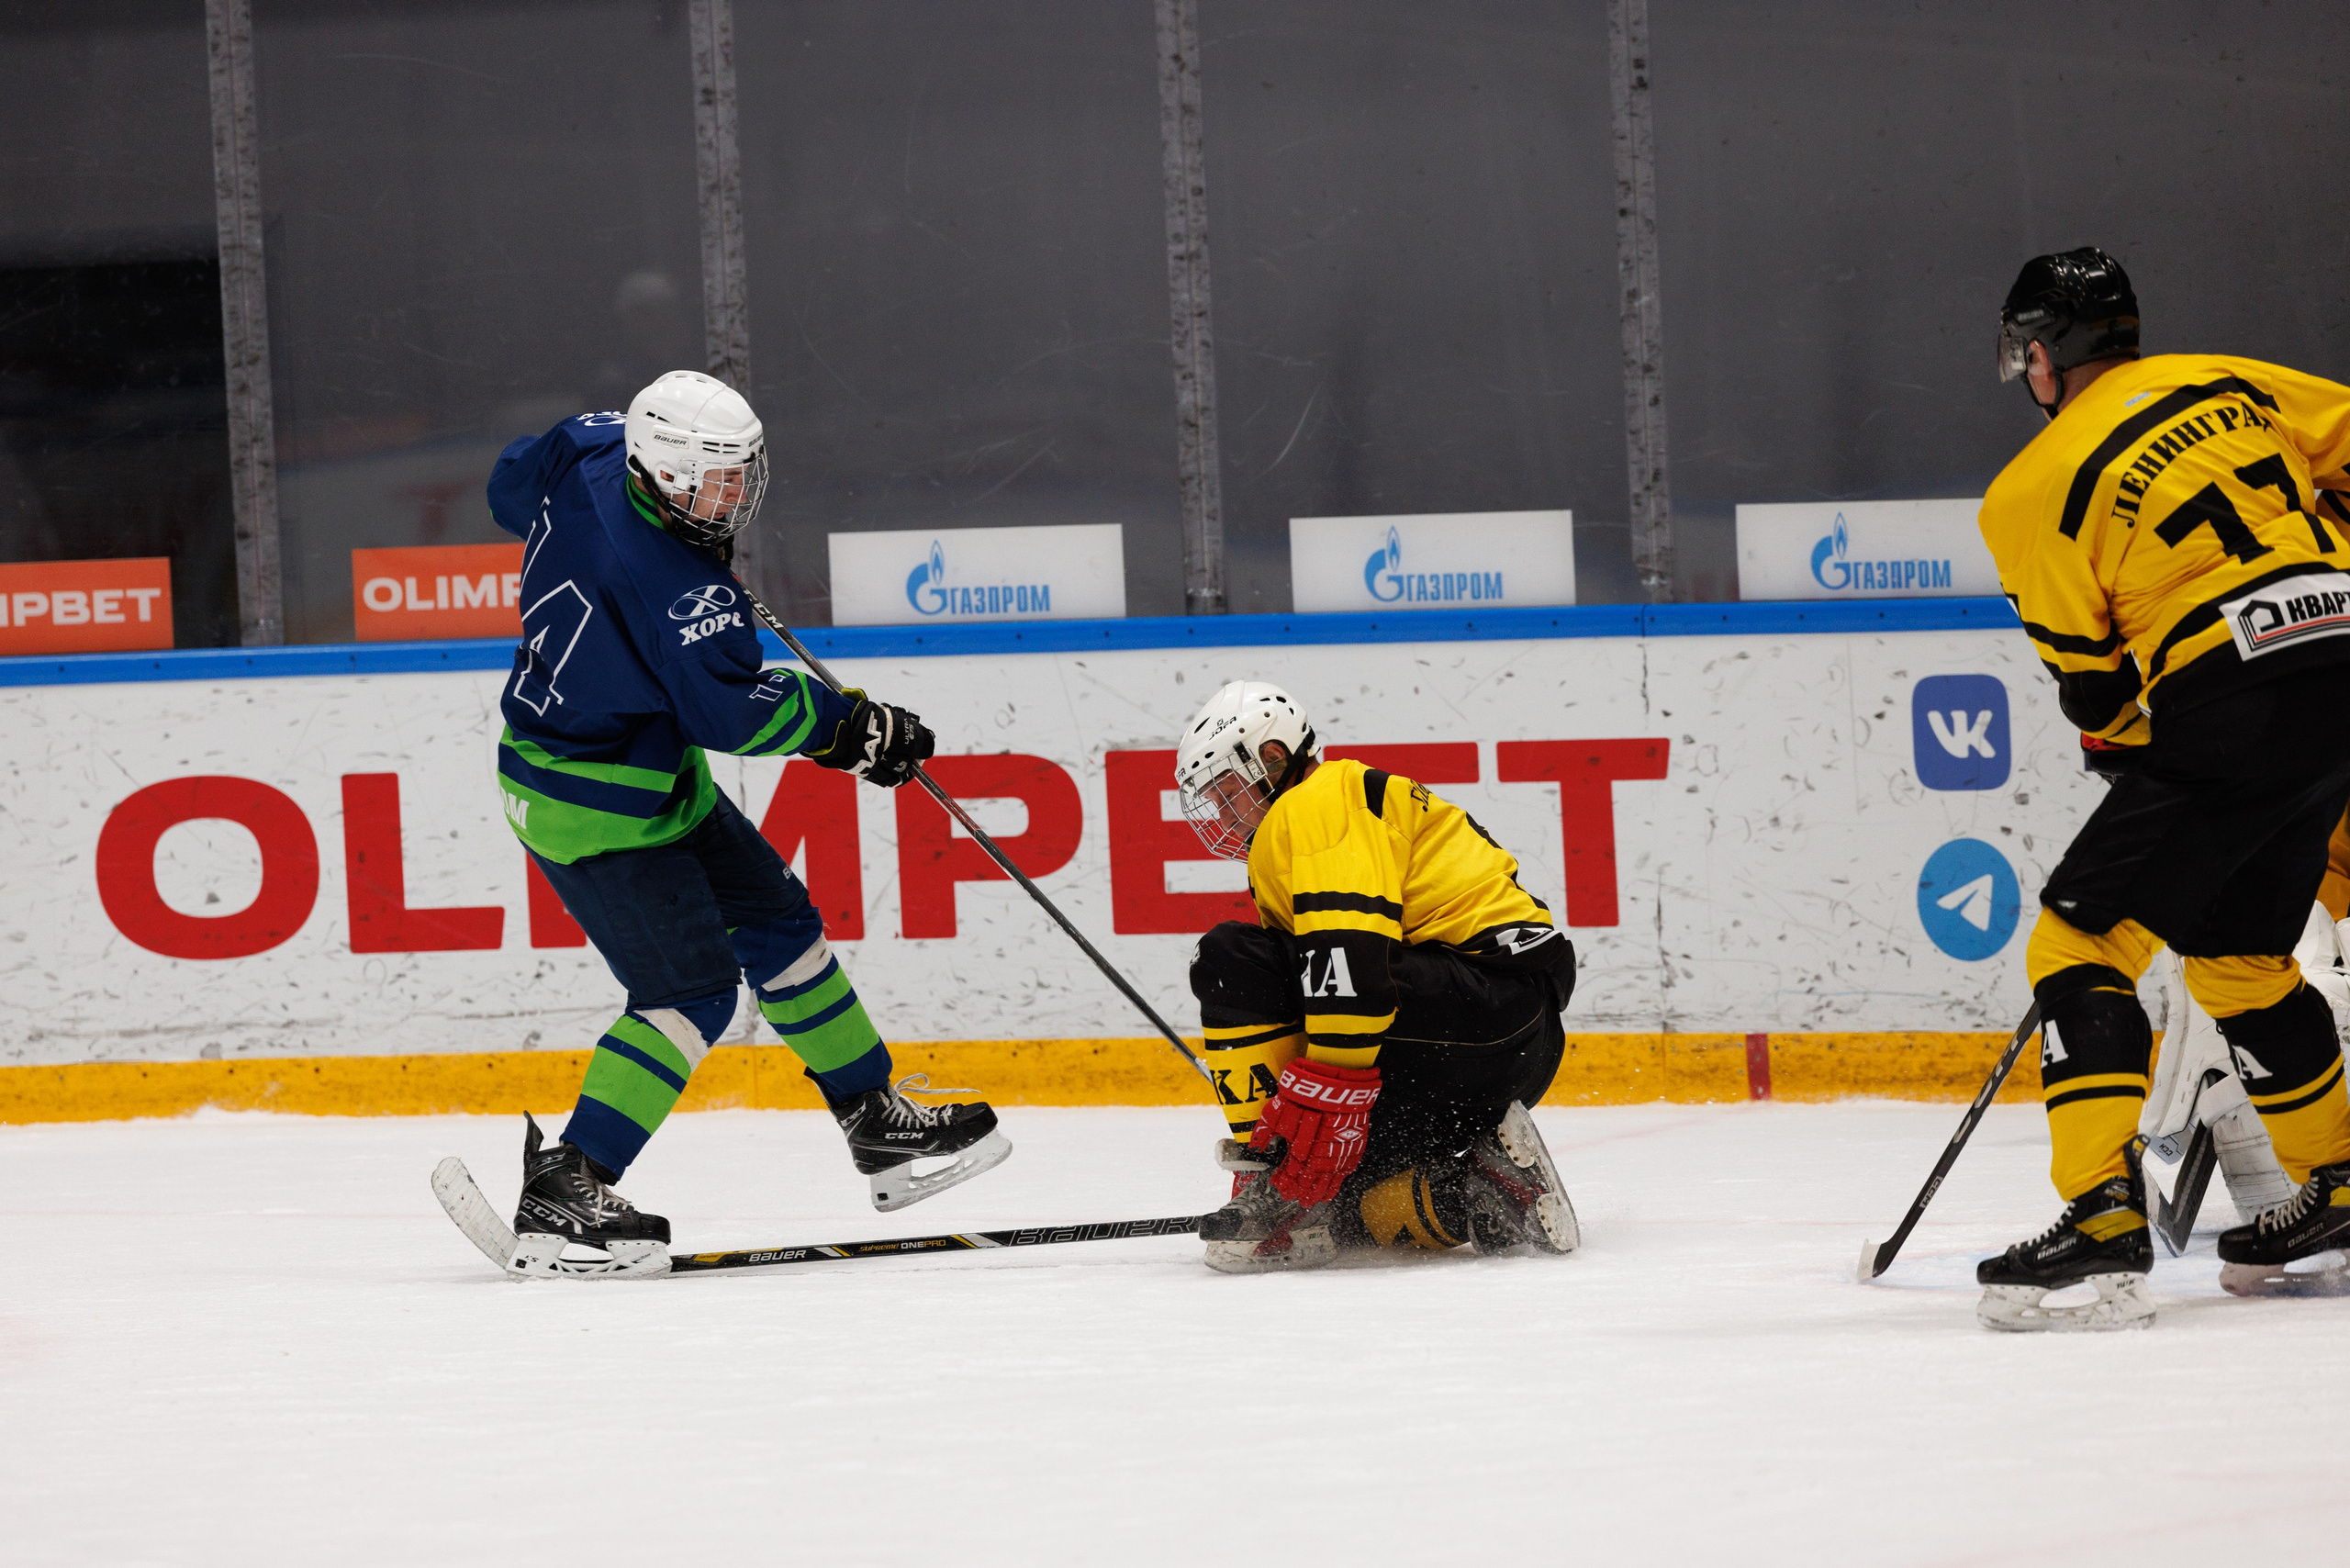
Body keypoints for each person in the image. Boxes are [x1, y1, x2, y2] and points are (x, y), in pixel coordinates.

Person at [487, 370, 1008, 1274]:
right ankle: (569, 1182)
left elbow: (509, 483)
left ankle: (874, 1117)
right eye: (716, 483)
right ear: (662, 472)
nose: (735, 499)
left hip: (642, 768)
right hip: (596, 803)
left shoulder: (593, 444)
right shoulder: (673, 588)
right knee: (688, 993)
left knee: (780, 926)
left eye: (742, 476)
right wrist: (852, 729)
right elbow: (731, 714)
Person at [1972, 247, 2350, 1326]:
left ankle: (2099, 1214)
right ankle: (2338, 1185)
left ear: (2042, 356)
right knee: (2238, 963)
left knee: (2077, 943)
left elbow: (2094, 689)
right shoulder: (2227, 380)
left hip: (2232, 700)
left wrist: (2141, 747)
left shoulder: (2026, 491)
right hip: (2340, 673)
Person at [1170, 680, 1580, 1273]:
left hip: (1487, 1007)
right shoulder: (1318, 816)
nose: (1221, 813)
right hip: (1499, 1041)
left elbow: (1350, 961)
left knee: (1232, 958)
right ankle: (1484, 1193)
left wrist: (1318, 1113)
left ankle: (1273, 1181)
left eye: (1228, 791)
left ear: (1274, 759)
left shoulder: (1315, 803)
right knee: (1333, 1203)